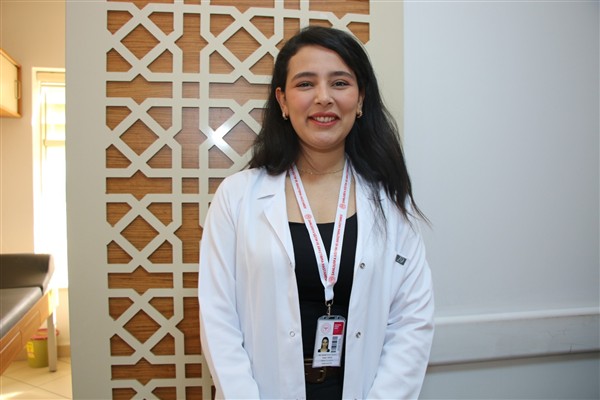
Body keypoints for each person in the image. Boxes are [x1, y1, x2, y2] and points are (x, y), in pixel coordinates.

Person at [198, 26, 434, 400]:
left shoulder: (389, 200)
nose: (324, 98)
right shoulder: (237, 197)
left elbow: (411, 321)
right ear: (282, 100)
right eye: (306, 84)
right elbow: (218, 319)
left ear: (360, 99)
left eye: (339, 83)